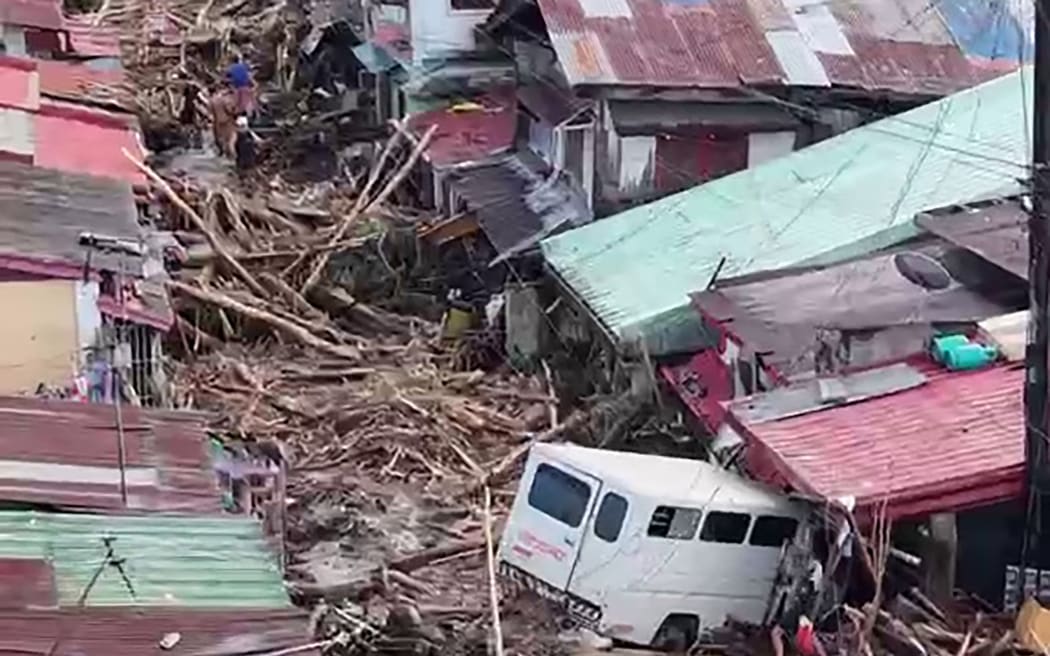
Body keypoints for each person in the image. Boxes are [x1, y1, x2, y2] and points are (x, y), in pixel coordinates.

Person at [210, 90, 237, 157]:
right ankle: (233, 157)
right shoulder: (226, 100)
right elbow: (229, 110)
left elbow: (210, 112)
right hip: (227, 121)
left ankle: (223, 154)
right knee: (231, 140)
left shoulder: (213, 100)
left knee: (222, 140)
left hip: (217, 122)